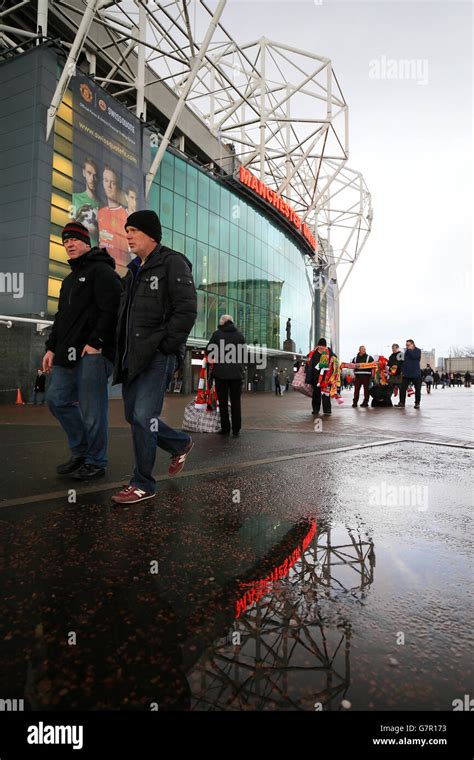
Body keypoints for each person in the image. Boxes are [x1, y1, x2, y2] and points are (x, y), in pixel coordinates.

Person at [111, 210, 197, 504]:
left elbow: (186, 310)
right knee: (133, 416)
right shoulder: (133, 270)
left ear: (150, 234)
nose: (128, 235)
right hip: (133, 356)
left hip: (157, 355)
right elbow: (124, 315)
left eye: (133, 230)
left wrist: (167, 346)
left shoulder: (172, 263)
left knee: (144, 416)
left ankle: (142, 484)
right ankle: (180, 442)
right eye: (127, 230)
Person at [43, 222, 122, 479]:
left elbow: (111, 310)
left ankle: (96, 461)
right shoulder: (68, 281)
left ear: (87, 242)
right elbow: (61, 318)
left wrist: (97, 341)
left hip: (93, 353)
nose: (69, 244)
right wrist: (51, 348)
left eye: (74, 240)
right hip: (67, 353)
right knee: (56, 399)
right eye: (65, 241)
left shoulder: (102, 271)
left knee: (92, 409)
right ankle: (81, 451)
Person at [207, 314, 246, 436]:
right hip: (236, 374)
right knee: (236, 401)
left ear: (223, 322)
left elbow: (208, 349)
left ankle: (225, 428)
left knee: (223, 402)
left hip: (221, 374)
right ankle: (236, 429)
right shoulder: (240, 335)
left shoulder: (217, 334)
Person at [97, 166, 129, 266]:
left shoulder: (126, 215)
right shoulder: (100, 213)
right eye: (106, 181)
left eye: (113, 183)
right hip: (101, 267)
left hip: (119, 269)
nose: (109, 186)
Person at [305, 338, 337, 416]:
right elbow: (308, 364)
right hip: (315, 377)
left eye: (323, 346)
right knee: (316, 394)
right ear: (318, 345)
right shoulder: (313, 353)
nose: (322, 348)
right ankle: (315, 410)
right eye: (320, 346)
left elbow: (335, 358)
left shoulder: (329, 352)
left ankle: (327, 410)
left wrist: (333, 357)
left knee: (325, 394)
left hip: (326, 378)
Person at [396, 339, 422, 409]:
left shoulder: (418, 350)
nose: (406, 346)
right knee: (402, 388)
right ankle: (402, 403)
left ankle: (417, 403)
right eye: (406, 345)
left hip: (415, 373)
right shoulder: (406, 351)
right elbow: (404, 361)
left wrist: (410, 350)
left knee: (417, 389)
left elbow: (415, 357)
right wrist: (403, 370)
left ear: (412, 344)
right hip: (407, 374)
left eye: (408, 345)